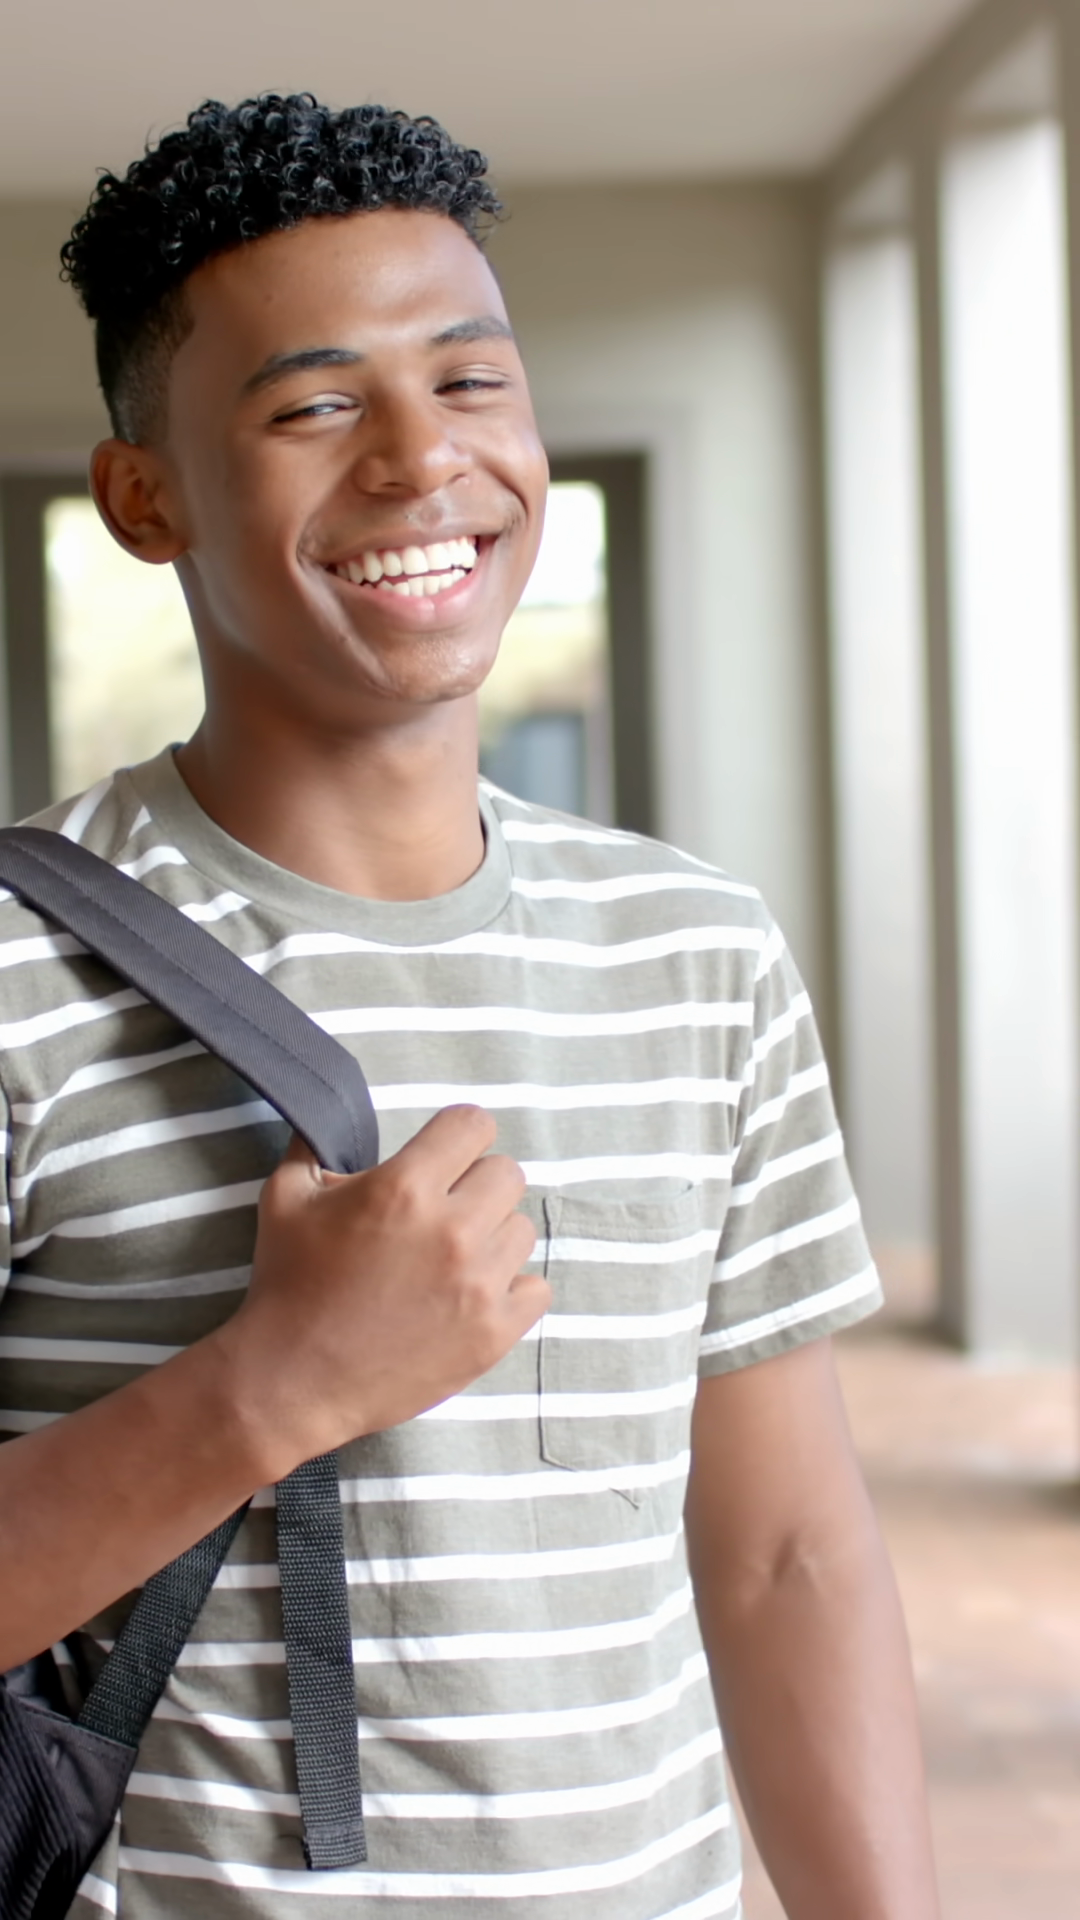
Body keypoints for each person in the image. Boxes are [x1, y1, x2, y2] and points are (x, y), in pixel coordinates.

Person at [0, 95, 939, 1919]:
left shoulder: (696, 949)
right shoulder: (21, 962)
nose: (422, 457)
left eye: (470, 381)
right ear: (144, 498)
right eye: (314, 405)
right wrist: (272, 1388)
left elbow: (786, 1555)